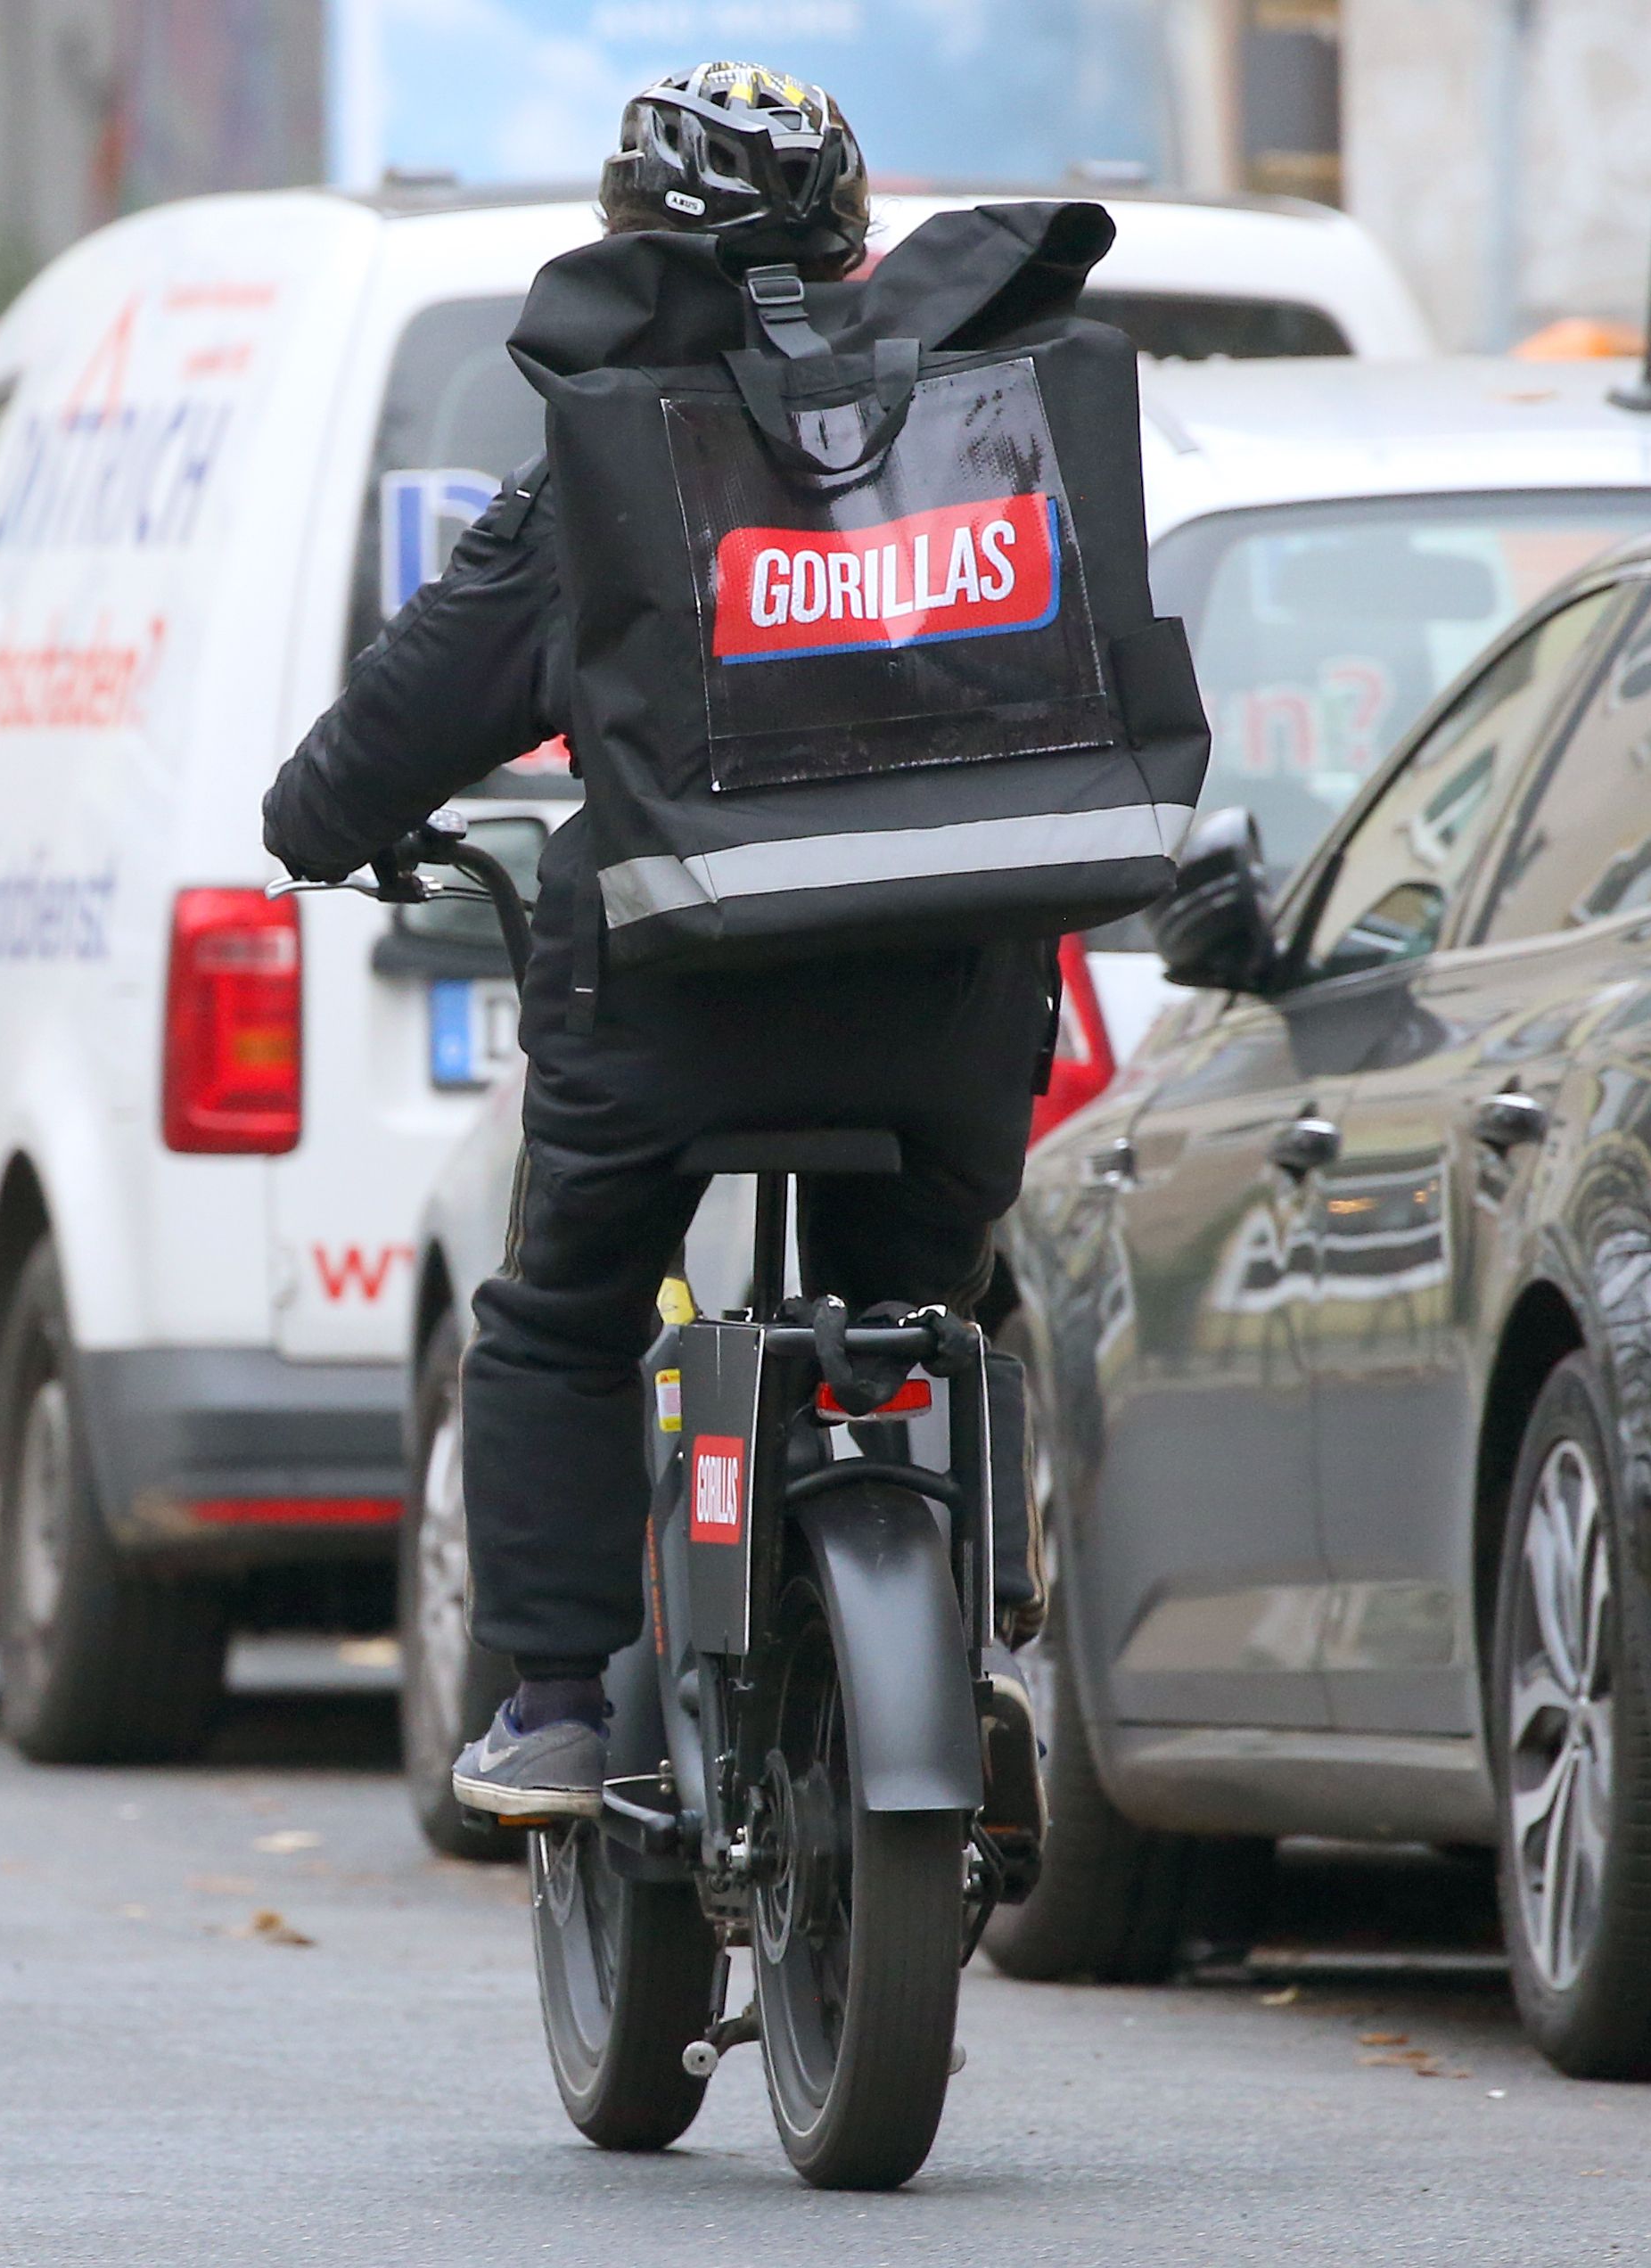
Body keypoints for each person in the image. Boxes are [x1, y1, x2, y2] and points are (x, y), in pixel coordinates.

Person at [260, 62, 1055, 1819]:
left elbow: (403, 724)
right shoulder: (974, 424)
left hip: (674, 1004)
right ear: (851, 242)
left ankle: (550, 1702)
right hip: (946, 1003)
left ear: (628, 240)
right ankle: (977, 1620)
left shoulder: (610, 456)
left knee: (558, 1314)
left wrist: (313, 823)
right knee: (932, 1299)